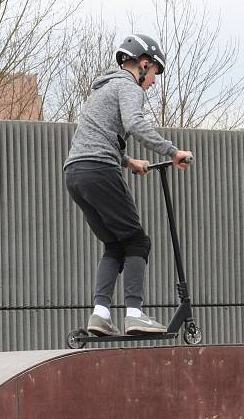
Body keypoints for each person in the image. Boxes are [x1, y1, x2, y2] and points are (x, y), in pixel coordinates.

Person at [63, 34, 193, 336]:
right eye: (155, 74)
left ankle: (100, 314)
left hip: (75, 173)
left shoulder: (102, 89)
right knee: (137, 242)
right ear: (144, 64)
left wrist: (128, 161)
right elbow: (135, 124)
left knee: (114, 244)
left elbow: (97, 135)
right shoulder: (128, 87)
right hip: (99, 170)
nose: (154, 82)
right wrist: (172, 152)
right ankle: (135, 313)